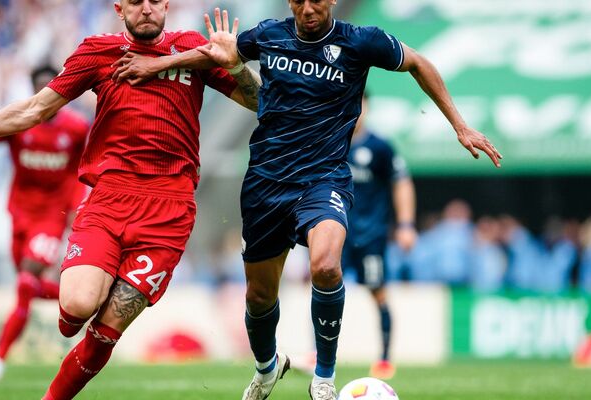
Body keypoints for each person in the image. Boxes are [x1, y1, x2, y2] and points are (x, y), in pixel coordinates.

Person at [115, 2, 502, 399]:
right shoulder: (269, 34)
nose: (308, 8)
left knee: (326, 266)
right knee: (260, 295)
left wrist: (460, 125)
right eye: (299, 0)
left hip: (324, 178)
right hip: (266, 183)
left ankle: (324, 379)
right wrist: (158, 65)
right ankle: (267, 367)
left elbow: (419, 62)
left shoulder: (360, 41)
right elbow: (217, 54)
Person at [0, 1, 261, 399]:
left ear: (167, 4)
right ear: (119, 8)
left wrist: (235, 65)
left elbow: (258, 102)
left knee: (104, 333)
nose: (146, 9)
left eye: (154, 0)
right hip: (108, 200)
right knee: (77, 308)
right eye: (135, 2)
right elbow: (34, 109)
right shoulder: (98, 51)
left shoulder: (193, 48)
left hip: (168, 211)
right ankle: (79, 301)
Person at [0, 65, 90, 384]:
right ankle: (83, 303)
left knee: (25, 283)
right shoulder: (20, 122)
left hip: (52, 220)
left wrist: (76, 205)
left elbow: (83, 168)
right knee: (28, 288)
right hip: (19, 215)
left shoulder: (76, 128)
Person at [342, 93, 416, 380]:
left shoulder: (380, 147)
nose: (356, 111)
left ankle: (384, 358)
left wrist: (406, 225)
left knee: (379, 292)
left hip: (370, 236)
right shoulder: (330, 140)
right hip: (335, 232)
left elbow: (402, 183)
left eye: (361, 105)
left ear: (368, 108)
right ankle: (318, 354)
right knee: (322, 286)